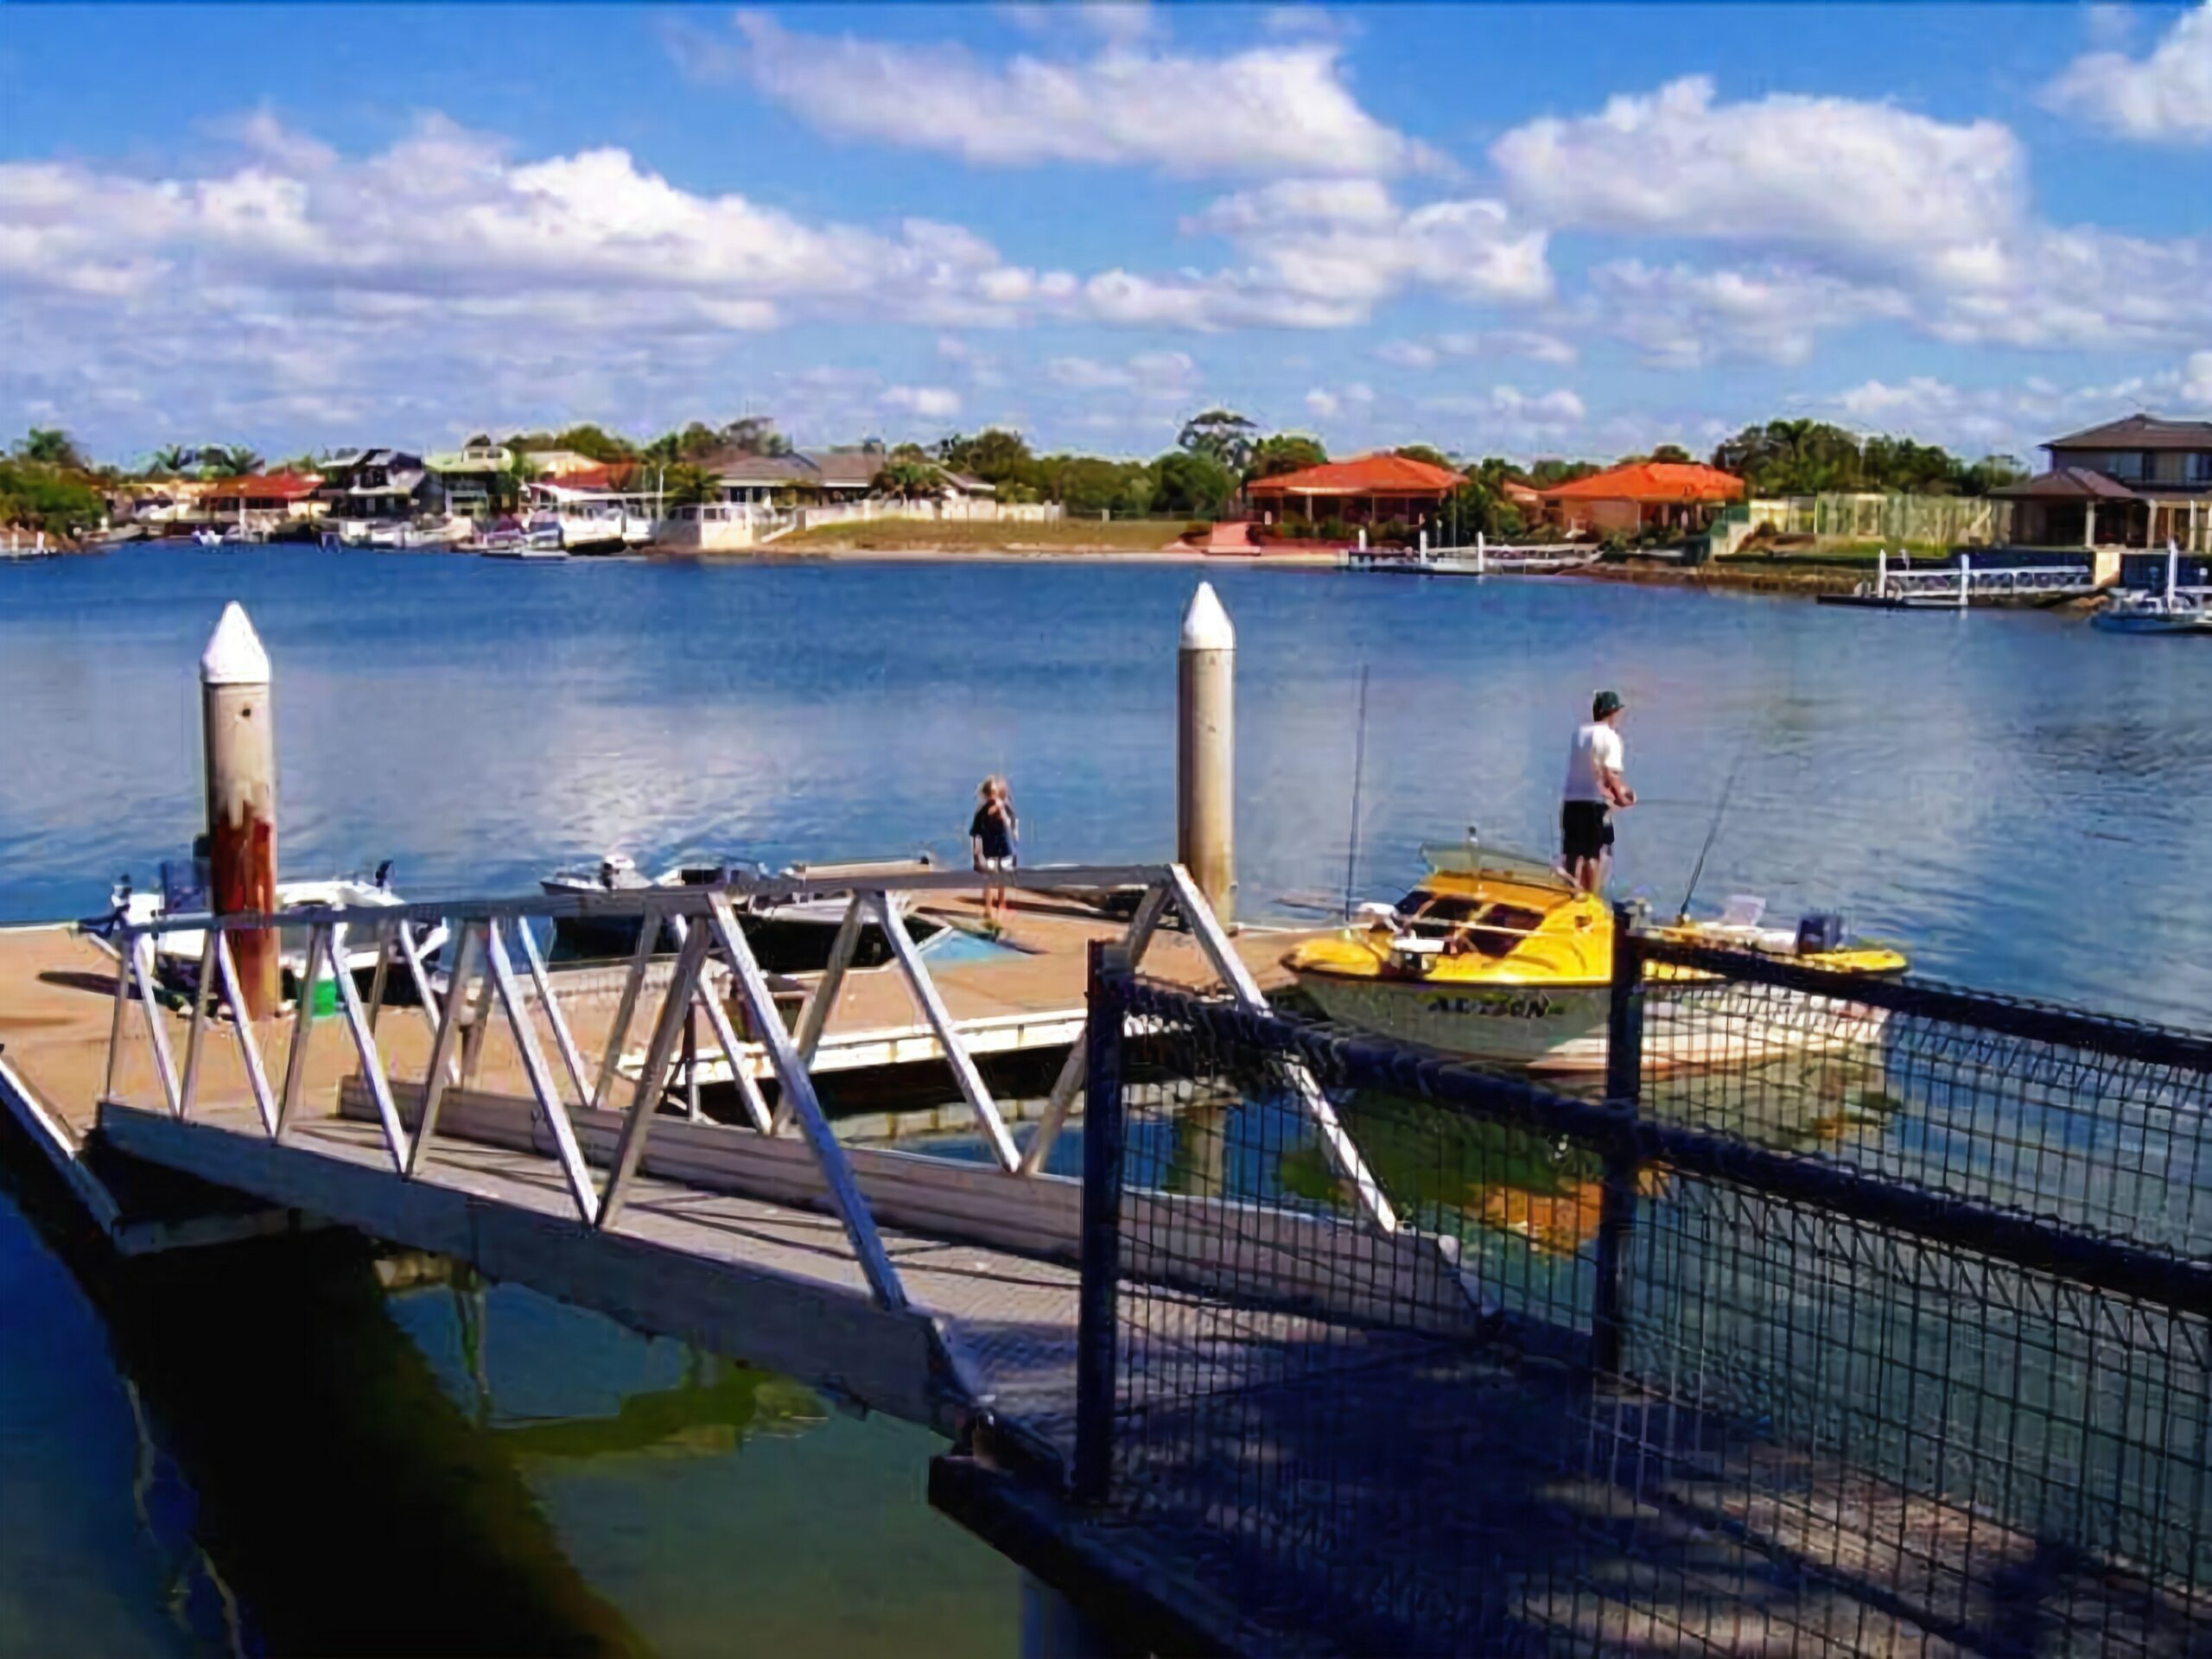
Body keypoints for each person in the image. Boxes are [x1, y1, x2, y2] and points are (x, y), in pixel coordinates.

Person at [1560, 690, 1634, 893]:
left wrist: (1619, 791)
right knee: (1593, 854)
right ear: (1612, 712)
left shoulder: (1580, 733)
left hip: (1571, 801)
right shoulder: (1610, 737)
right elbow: (1609, 773)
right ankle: (1590, 902)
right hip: (1595, 804)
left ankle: (1571, 898)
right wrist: (1622, 797)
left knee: (1573, 854)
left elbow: (1589, 767)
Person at [969, 775, 1018, 931]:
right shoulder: (982, 812)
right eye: (989, 794)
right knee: (989, 878)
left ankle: (1002, 903)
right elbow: (975, 832)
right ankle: (988, 908)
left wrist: (1002, 811)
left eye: (995, 794)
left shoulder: (1006, 809)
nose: (992, 797)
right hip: (988, 848)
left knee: (1003, 876)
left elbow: (1011, 826)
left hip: (1004, 848)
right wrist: (976, 852)